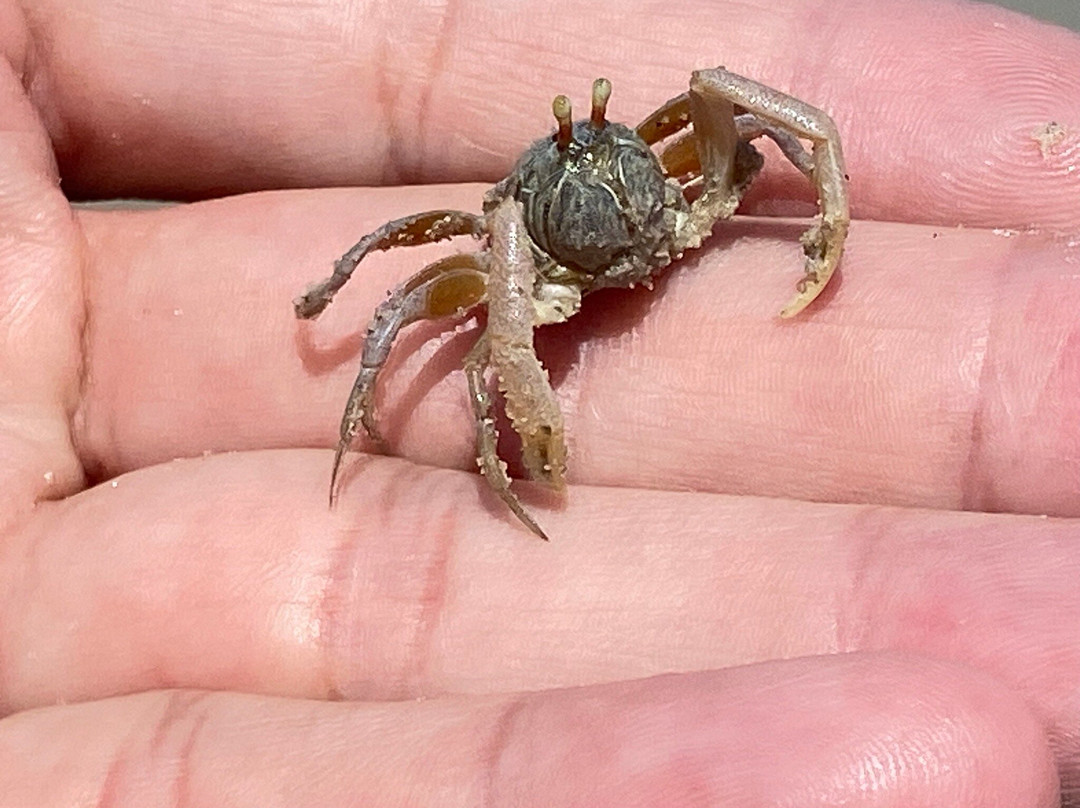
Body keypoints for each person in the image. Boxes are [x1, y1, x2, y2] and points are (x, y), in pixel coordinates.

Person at [0, 0, 1076, 803]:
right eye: (580, 150)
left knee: (722, 93)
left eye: (607, 137)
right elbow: (435, 303)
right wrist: (348, 300)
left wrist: (824, 198)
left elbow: (759, 114)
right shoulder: (511, 242)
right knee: (421, 316)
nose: (600, 163)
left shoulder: (660, 160)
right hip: (543, 266)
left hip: (661, 219)